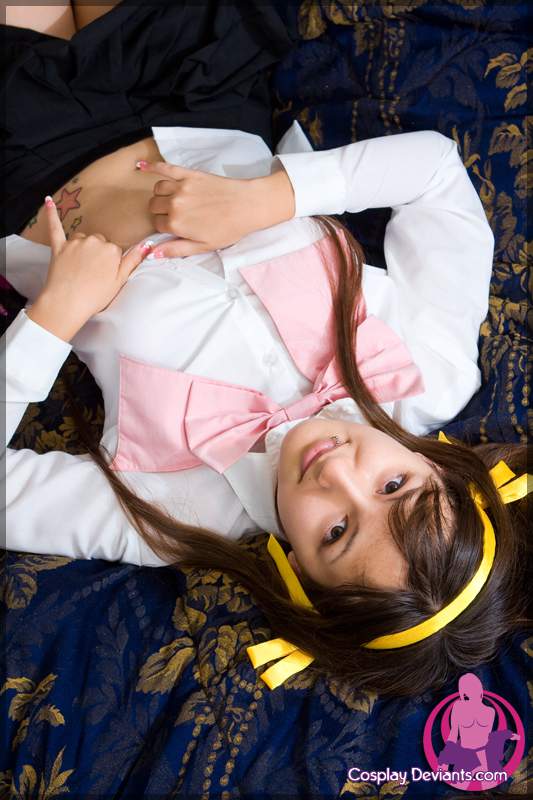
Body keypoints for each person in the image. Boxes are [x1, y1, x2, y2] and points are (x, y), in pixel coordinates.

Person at [2, 1, 531, 697]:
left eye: (337, 532)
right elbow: (435, 176)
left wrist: (52, 319)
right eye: (394, 486)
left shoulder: (177, 515)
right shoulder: (432, 373)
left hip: (36, 161)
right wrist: (276, 200)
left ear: (300, 576)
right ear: (438, 468)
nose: (337, 473)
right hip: (203, 91)